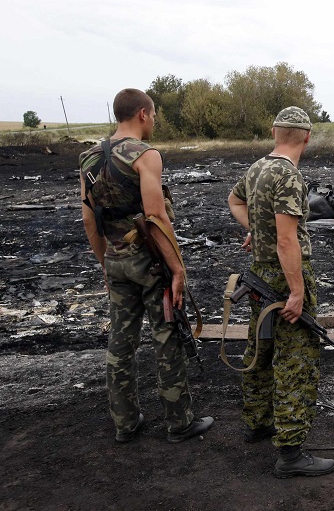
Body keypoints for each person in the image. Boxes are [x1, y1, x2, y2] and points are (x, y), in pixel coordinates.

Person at [80, 88, 214, 443]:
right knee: (166, 335)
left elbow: (90, 222)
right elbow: (155, 216)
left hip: (116, 261)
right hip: (151, 262)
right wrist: (178, 269)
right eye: (153, 115)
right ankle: (179, 422)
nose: (154, 121)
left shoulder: (89, 159)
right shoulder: (145, 155)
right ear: (142, 113)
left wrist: (105, 264)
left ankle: (125, 423)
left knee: (120, 343)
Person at [227, 106, 334, 479]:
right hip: (281, 277)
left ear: (275, 132)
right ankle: (290, 453)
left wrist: (257, 231)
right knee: (296, 361)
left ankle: (257, 422)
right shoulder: (289, 176)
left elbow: (235, 201)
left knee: (260, 348)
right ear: (307, 136)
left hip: (258, 276)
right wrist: (297, 291)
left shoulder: (258, 168)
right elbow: (287, 240)